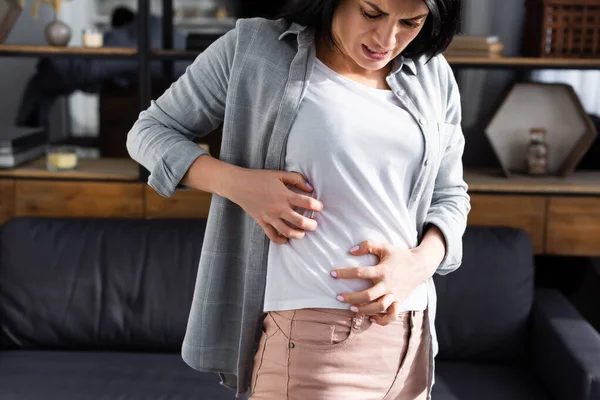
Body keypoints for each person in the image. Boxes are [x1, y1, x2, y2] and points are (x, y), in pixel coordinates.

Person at [126, 0, 470, 398]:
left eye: (410, 22)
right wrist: (239, 184)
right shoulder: (257, 49)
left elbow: (450, 195)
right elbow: (149, 132)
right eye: (371, 13)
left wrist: (417, 264)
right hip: (314, 339)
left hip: (412, 343)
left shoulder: (432, 75)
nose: (387, 38)